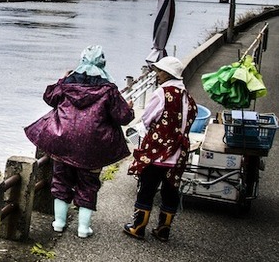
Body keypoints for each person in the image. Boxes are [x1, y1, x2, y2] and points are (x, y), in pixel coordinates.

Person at [24, 45, 135, 238]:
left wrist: (63, 78)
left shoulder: (68, 83)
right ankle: (83, 228)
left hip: (63, 141)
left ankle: (59, 222)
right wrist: (130, 107)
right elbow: (123, 117)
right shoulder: (109, 89)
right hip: (93, 147)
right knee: (88, 184)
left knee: (61, 180)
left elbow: (49, 97)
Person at [124, 56, 198, 242]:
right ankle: (163, 230)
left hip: (158, 151)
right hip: (178, 152)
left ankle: (138, 227)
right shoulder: (186, 95)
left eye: (159, 71)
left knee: (147, 188)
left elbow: (148, 118)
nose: (157, 75)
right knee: (170, 190)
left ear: (167, 73)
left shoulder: (162, 93)